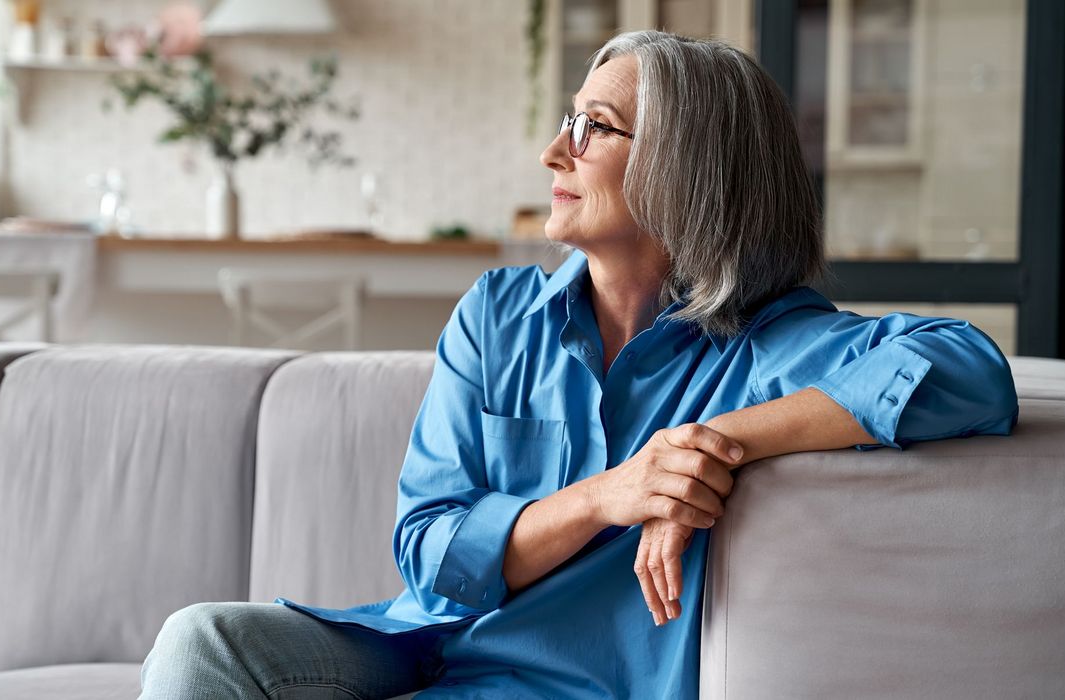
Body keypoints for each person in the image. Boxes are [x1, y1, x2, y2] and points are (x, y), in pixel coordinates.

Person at [139, 30, 1018, 698]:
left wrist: (714, 442)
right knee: (201, 645)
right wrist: (613, 493)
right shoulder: (497, 314)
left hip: (572, 685)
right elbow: (429, 554)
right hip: (427, 648)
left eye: (593, 128)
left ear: (687, 169)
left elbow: (971, 371)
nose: (555, 153)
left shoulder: (772, 347)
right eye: (569, 121)